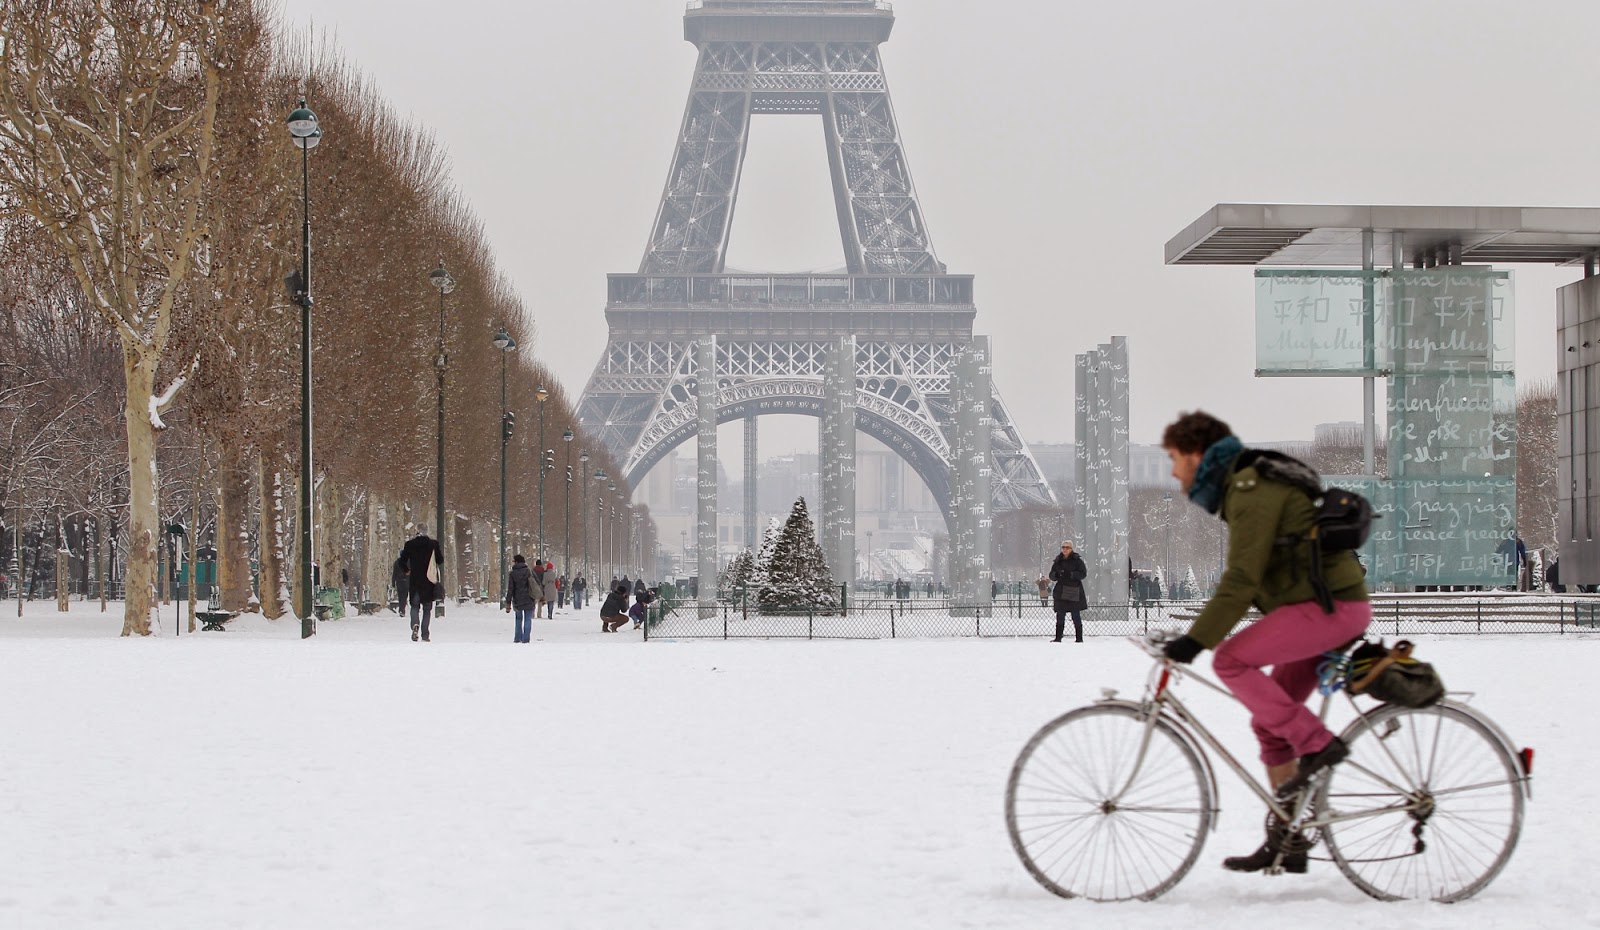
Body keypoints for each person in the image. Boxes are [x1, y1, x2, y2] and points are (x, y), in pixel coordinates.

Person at [1158, 410, 1371, 875]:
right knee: (1270, 725)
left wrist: (1197, 640)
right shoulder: (1246, 484)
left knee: (1231, 660)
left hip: (1329, 609)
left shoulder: (1250, 488)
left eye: (1174, 459)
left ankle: (1318, 743)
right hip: (1323, 608)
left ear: (1196, 455)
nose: (1173, 472)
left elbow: (1243, 577)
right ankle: (1289, 836)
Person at [401, 529, 444, 642]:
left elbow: (402, 561)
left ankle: (415, 624)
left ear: (416, 532)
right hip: (428, 581)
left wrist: (406, 570)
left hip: (415, 580)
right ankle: (425, 634)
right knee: (427, 609)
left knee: (414, 606)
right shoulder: (433, 544)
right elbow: (440, 560)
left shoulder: (410, 545)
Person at [1049, 542, 1087, 643]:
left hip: (1073, 590)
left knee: (1075, 614)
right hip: (1061, 591)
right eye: (1063, 547)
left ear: (1071, 549)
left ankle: (1079, 638)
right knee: (1060, 615)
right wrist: (1056, 575)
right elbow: (1051, 575)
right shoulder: (1058, 561)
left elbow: (1083, 574)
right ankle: (1058, 637)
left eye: (1067, 547)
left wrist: (1071, 575)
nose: (1065, 549)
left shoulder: (1077, 561)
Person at [505, 554, 537, 643]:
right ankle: (526, 638)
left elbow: (510, 589)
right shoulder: (529, 571)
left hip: (517, 599)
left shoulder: (512, 573)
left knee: (518, 619)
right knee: (528, 619)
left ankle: (517, 637)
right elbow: (536, 584)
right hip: (529, 598)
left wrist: (508, 601)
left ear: (517, 562)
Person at [391, 549, 409, 616]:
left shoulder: (397, 562)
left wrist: (393, 582)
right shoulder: (409, 562)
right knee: (404, 596)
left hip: (399, 581)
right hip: (407, 581)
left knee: (400, 596)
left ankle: (401, 609)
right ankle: (402, 610)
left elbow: (394, 573)